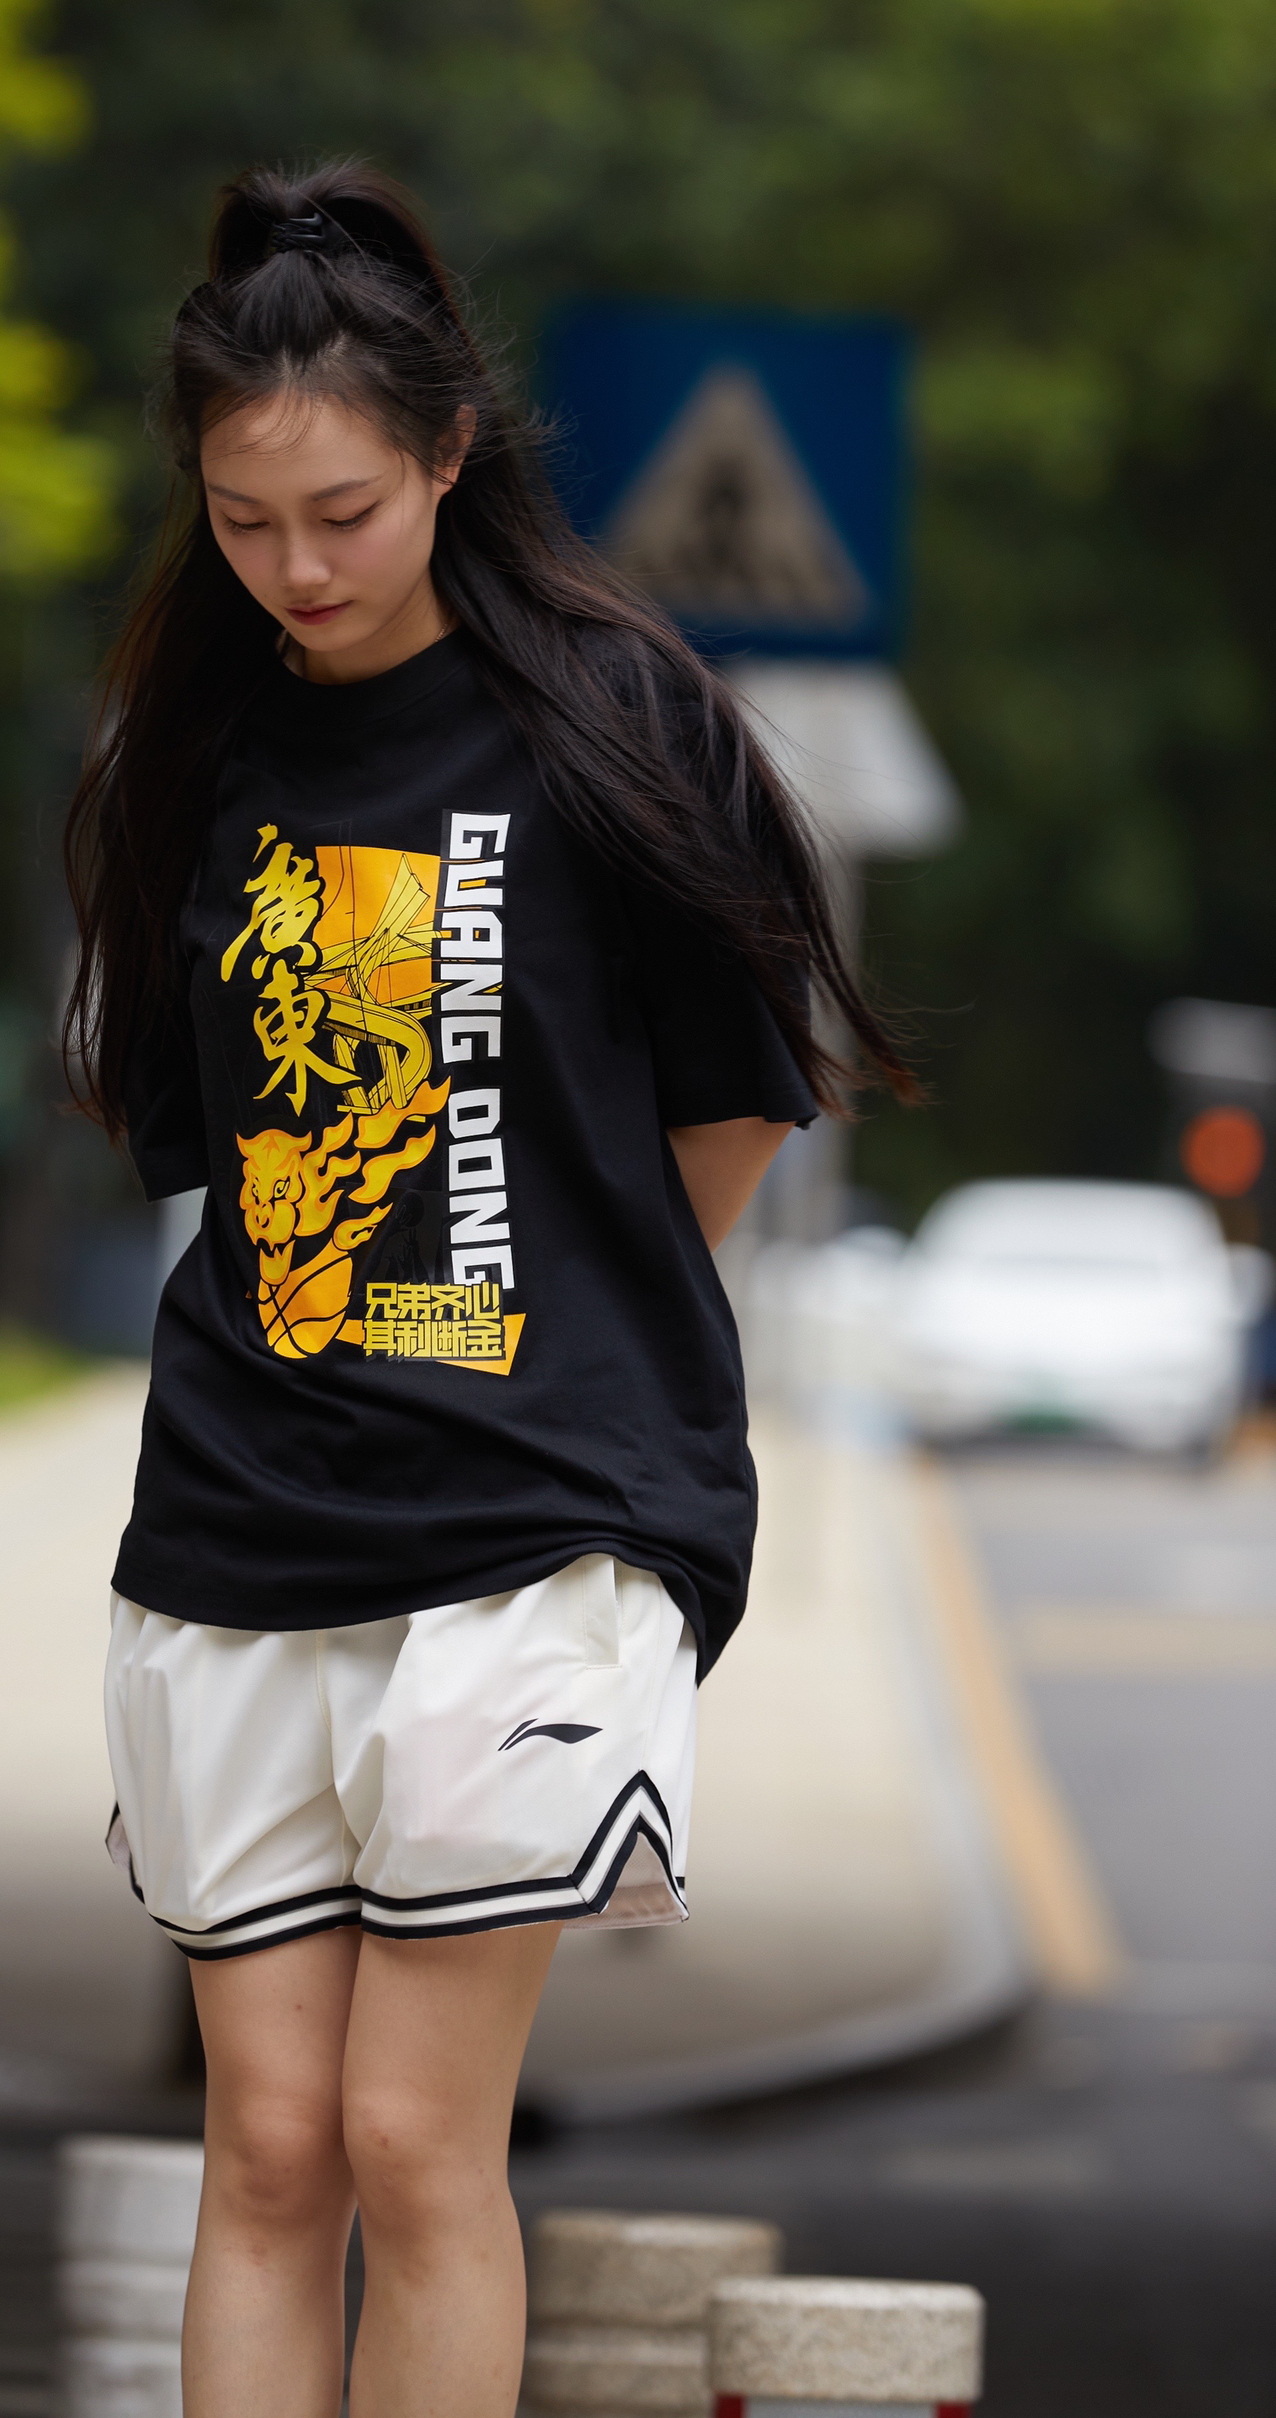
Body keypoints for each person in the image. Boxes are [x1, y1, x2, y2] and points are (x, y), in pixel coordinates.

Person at [63, 163, 912, 2418]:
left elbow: (726, 1116)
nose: (297, 567)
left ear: (448, 456)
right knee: (264, 2147)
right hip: (240, 1518)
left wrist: (570, 1328)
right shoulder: (196, 752)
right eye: (244, 522)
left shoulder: (621, 724)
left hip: (536, 1528)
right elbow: (216, 1144)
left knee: (410, 2139)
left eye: (342, 511)